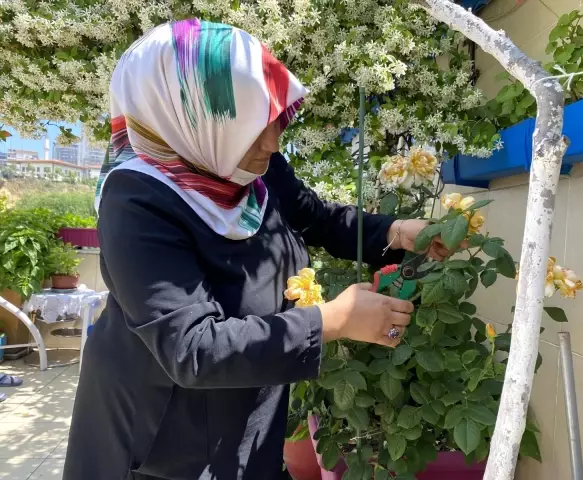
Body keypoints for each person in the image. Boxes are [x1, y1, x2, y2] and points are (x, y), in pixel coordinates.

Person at [63, 19, 453, 480]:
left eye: (272, 121)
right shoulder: (137, 199)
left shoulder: (249, 168)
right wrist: (331, 322)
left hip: (246, 413)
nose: (272, 141)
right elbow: (192, 347)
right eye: (249, 125)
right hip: (164, 444)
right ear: (189, 118)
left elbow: (320, 218)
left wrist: (397, 231)